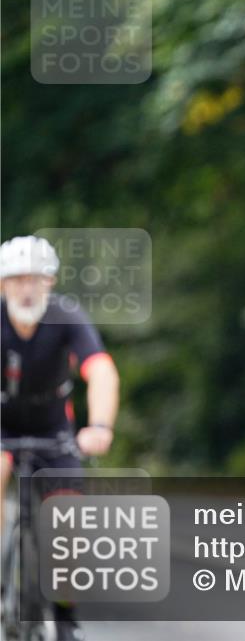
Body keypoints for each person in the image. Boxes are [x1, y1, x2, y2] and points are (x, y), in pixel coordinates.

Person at [1, 235, 120, 641]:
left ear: (49, 282)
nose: (26, 288)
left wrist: (100, 426)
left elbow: (100, 369)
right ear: (2, 285)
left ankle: (65, 617)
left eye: (35, 278)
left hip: (54, 431)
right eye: (16, 280)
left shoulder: (66, 316)